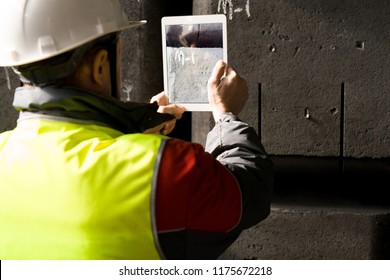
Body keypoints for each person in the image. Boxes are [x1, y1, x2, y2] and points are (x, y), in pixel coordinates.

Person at [0, 0, 273, 260]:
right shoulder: (159, 168)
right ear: (99, 66)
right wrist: (226, 116)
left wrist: (136, 122)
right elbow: (247, 194)